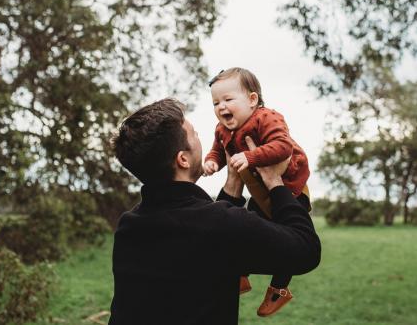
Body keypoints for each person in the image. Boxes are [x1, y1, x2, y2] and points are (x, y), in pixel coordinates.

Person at [108, 98, 320, 325]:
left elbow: (205, 236)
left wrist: (232, 183)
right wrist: (275, 181)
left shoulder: (129, 227)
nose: (201, 139)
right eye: (195, 134)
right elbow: (305, 250)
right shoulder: (219, 225)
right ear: (183, 159)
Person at [203, 67, 311, 316]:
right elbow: (219, 151)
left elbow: (282, 147)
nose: (221, 107)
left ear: (252, 100)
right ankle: (239, 274)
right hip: (261, 193)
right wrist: (211, 162)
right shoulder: (222, 130)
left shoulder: (267, 117)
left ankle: (278, 290)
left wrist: (250, 157)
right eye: (216, 102)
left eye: (228, 100)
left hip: (292, 190)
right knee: (246, 228)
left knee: (289, 240)